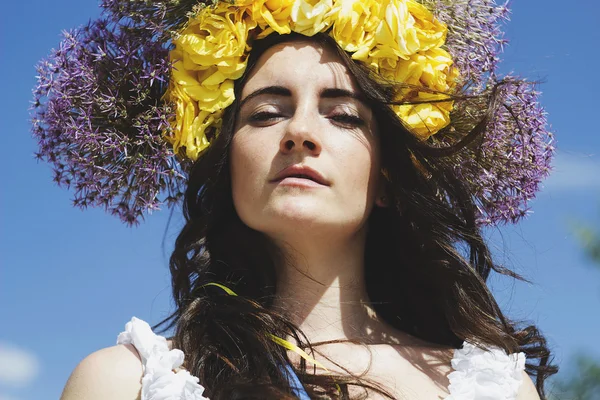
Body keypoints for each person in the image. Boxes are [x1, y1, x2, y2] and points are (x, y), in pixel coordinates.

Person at [33, 1, 557, 399]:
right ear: (225, 165)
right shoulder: (127, 382)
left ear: (389, 178)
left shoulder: (490, 388)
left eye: (344, 115)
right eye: (265, 113)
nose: (300, 131)